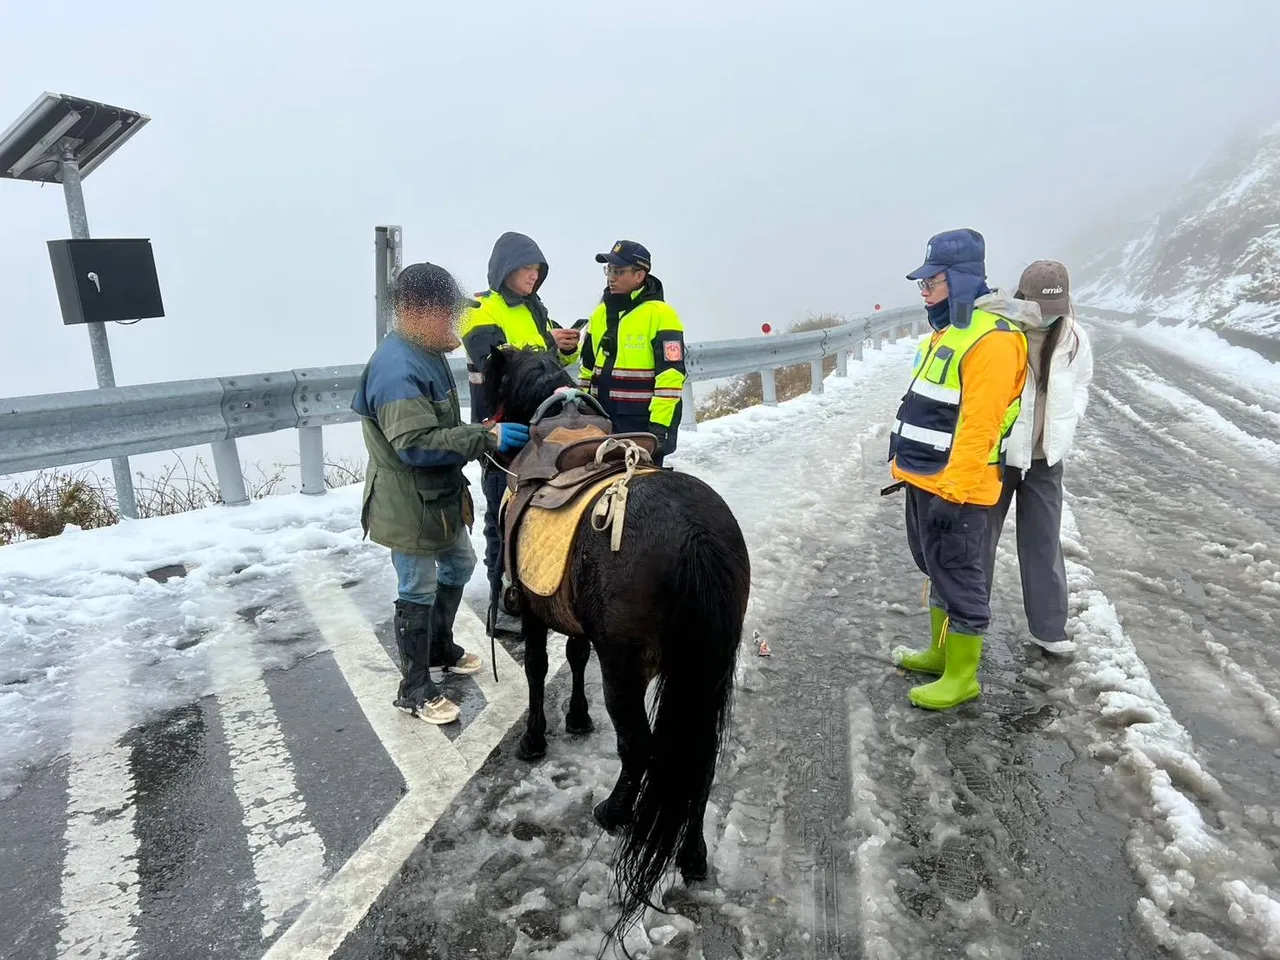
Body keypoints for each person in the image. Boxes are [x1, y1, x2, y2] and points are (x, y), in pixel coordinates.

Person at [352, 261, 532, 724]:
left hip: (439, 495)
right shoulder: (396, 368)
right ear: (415, 309)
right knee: (417, 585)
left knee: (460, 563)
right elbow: (413, 444)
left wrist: (480, 431)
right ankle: (413, 687)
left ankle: (439, 647)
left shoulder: (425, 350)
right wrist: (485, 438)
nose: (453, 322)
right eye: (446, 313)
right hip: (408, 501)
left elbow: (440, 428)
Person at [886, 228, 1029, 711]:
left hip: (958, 486)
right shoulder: (953, 329)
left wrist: (955, 492)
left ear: (962, 280)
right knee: (937, 568)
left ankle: (962, 676)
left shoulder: (993, 339)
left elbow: (979, 426)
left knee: (962, 577)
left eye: (931, 283)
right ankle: (939, 652)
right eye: (921, 285)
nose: (924, 292)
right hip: (924, 475)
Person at [459, 232, 580, 615]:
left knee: (548, 510)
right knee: (501, 515)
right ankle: (501, 599)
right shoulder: (480, 308)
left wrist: (566, 347)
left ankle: (539, 589)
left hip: (547, 428)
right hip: (503, 429)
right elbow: (493, 359)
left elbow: (551, 368)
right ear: (505, 269)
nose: (533, 275)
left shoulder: (536, 308)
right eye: (526, 267)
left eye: (537, 269)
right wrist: (547, 341)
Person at [983, 260, 1094, 655]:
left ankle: (1049, 629)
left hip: (1046, 457)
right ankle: (968, 624)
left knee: (1044, 541)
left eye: (1055, 309)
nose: (1047, 318)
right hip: (999, 455)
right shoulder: (1000, 331)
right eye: (1040, 309)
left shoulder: (1073, 338)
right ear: (1022, 298)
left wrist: (1069, 419)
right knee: (980, 542)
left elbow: (1081, 383)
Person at [578, 239, 687, 467]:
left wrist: (658, 427)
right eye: (609, 270)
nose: (611, 277)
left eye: (619, 271)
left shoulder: (661, 315)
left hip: (643, 424)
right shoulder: (599, 314)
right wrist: (582, 408)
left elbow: (670, 378)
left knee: (641, 493)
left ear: (640, 276)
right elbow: (587, 367)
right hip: (602, 421)